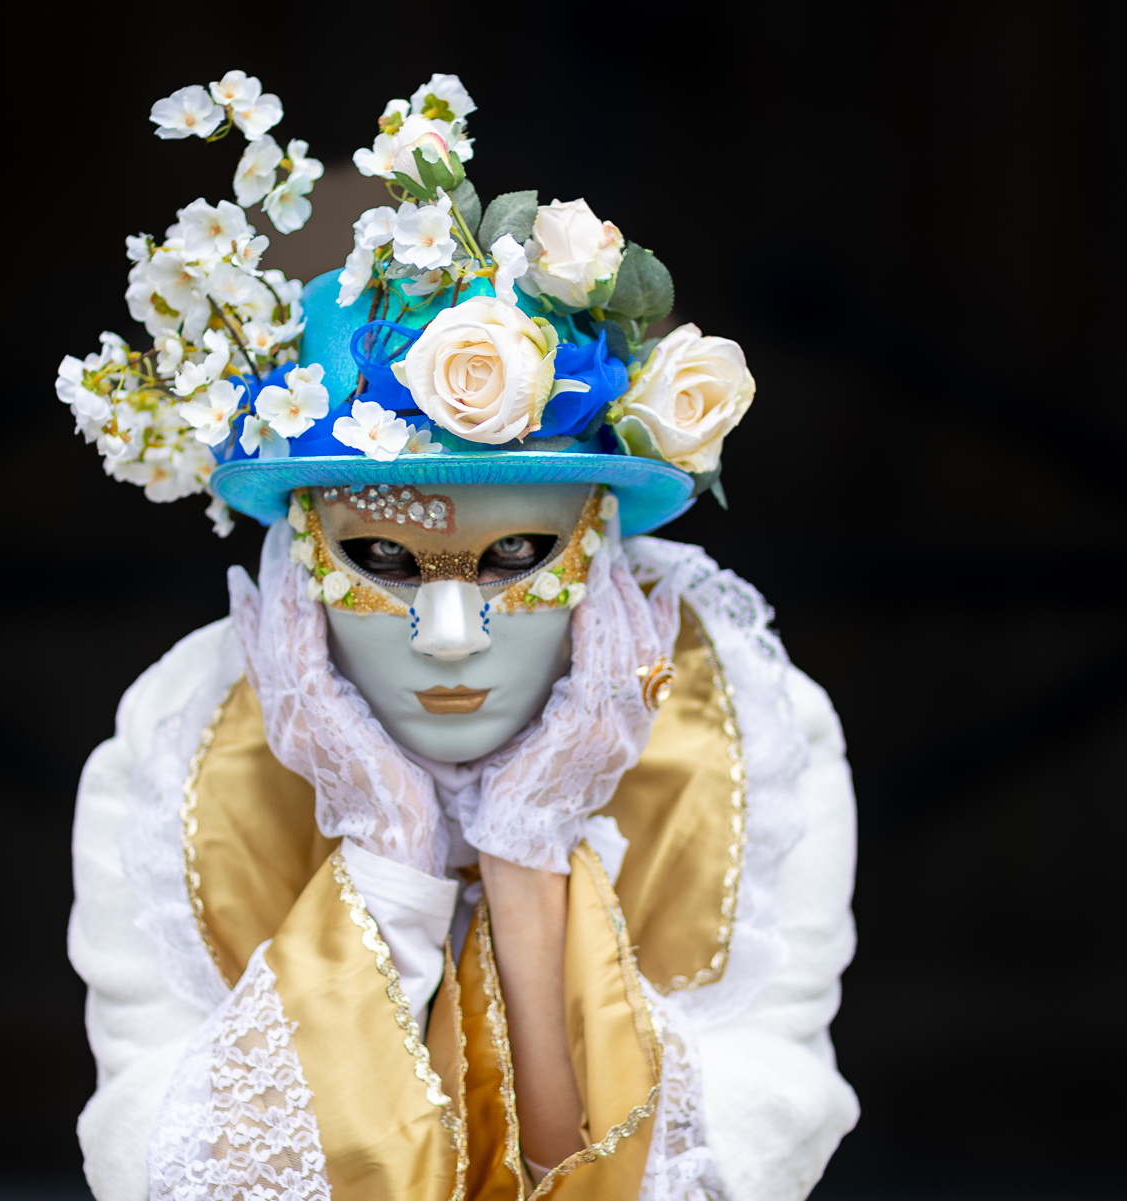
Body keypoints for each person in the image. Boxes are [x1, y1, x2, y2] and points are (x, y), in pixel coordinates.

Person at [57, 71, 858, 1201]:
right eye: (380, 560)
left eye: (518, 554)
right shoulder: (175, 759)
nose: (446, 636)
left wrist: (530, 858)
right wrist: (385, 863)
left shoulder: (750, 745)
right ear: (296, 562)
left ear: (605, 555)